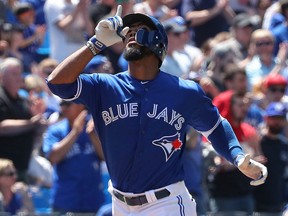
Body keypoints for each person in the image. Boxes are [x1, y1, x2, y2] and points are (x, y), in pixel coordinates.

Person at [46, 6, 268, 215]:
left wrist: (237, 157)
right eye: (127, 32)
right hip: (120, 204)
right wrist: (95, 43)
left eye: (138, 31)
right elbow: (57, 83)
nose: (130, 35)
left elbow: (215, 127)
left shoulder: (184, 91)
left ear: (158, 41)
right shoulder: (104, 86)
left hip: (166, 202)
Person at [42, 101, 105, 215]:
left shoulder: (95, 127)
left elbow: (106, 157)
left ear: (81, 104)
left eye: (67, 104)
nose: (63, 108)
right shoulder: (56, 130)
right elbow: (53, 157)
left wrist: (92, 135)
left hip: (92, 201)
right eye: (61, 104)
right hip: (65, 202)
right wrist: (74, 133)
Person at [0, 57, 47, 182]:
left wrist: (40, 122)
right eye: (14, 74)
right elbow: (2, 127)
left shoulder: (23, 101)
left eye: (20, 74)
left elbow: (35, 131)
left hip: (22, 167)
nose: (19, 78)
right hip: (3, 171)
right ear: (2, 76)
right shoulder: (1, 97)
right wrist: (31, 123)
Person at [253, 102, 288, 214]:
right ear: (266, 118)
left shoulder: (284, 144)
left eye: (280, 118)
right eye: (274, 118)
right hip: (257, 206)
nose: (277, 122)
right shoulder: (257, 142)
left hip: (279, 205)